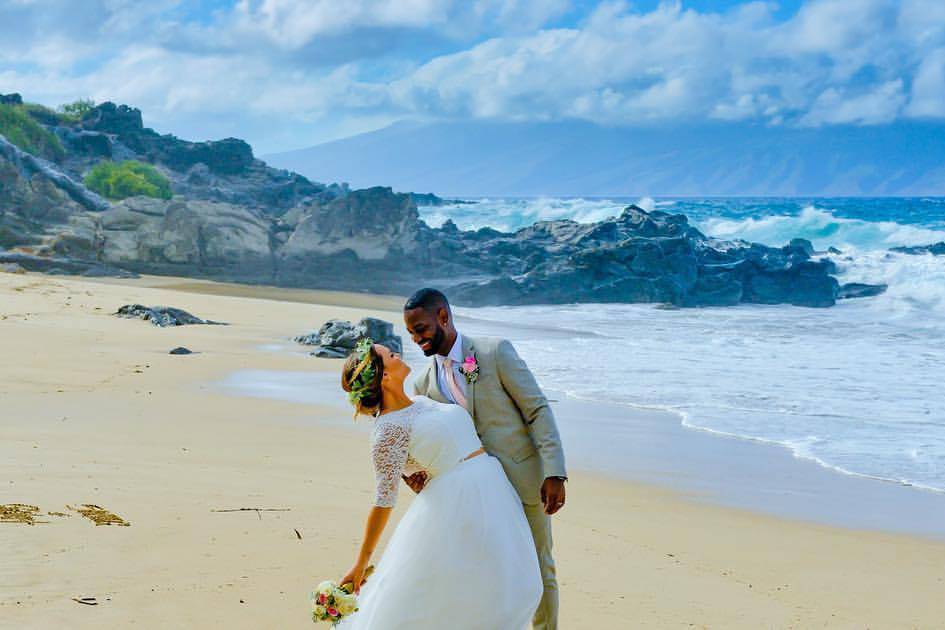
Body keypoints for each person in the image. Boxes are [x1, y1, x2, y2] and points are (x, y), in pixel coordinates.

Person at [337, 340, 542, 629]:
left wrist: (471, 364)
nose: (399, 354)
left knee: (515, 585)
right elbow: (384, 499)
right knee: (484, 592)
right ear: (384, 376)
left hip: (492, 489)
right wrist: (361, 562)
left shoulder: (420, 401)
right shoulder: (386, 431)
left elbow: (469, 390)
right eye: (391, 355)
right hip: (459, 503)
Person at [404, 288, 567, 630]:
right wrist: (420, 474)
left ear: (443, 318)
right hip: (472, 495)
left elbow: (536, 410)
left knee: (538, 568)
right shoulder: (422, 384)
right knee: (487, 573)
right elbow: (430, 441)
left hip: (524, 482)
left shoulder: (494, 352)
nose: (417, 339)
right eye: (411, 333)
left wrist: (555, 472)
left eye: (421, 329)